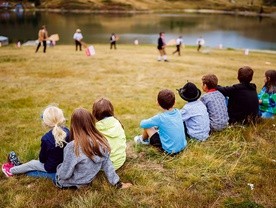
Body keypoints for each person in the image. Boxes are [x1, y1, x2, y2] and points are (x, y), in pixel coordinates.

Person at [55, 108, 132, 189]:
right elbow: (108, 165)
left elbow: (64, 175)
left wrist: (58, 169)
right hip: (88, 180)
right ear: (91, 122)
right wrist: (117, 183)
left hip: (70, 184)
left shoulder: (72, 147)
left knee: (50, 170)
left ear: (73, 125)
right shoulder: (102, 141)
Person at [2, 105, 70, 179]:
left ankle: (11, 170)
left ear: (45, 122)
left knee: (32, 164)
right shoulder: (67, 131)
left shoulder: (46, 138)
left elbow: (42, 159)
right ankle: (19, 167)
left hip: (52, 168)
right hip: (65, 164)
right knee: (34, 164)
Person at [134, 89, 187, 155]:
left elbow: (143, 124)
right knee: (157, 127)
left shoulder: (160, 118)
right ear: (174, 102)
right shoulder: (178, 112)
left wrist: (148, 122)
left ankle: (143, 140)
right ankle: (145, 139)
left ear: (158, 103)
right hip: (182, 146)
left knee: (148, 127)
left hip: (169, 151)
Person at [92, 98, 127, 170]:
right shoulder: (117, 123)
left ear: (94, 113)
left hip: (103, 166)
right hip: (120, 161)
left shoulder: (94, 128)